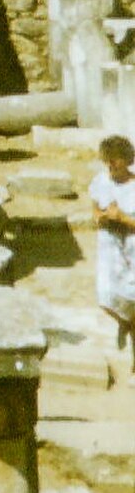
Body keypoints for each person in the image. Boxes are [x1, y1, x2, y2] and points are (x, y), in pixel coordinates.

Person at [89, 134, 135, 359]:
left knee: (133, 302)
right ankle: (124, 322)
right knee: (105, 298)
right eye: (107, 159)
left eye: (115, 159)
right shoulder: (100, 182)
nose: (111, 164)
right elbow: (95, 212)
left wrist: (123, 218)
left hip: (132, 251)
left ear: (126, 160)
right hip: (109, 250)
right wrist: (103, 217)